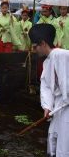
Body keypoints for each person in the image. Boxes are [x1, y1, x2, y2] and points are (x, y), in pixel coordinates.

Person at [28, 24, 69, 157]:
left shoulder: (61, 55)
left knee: (64, 142)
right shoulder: (47, 61)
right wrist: (47, 106)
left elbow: (66, 85)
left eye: (35, 47)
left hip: (66, 106)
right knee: (55, 138)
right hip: (59, 106)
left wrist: (65, 100)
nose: (34, 50)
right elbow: (46, 86)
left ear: (43, 43)